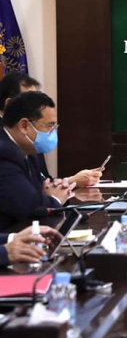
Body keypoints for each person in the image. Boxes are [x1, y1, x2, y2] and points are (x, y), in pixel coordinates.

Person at [0, 72, 102, 187]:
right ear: (9, 104)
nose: (38, 103)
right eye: (30, 99)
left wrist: (70, 181)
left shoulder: (30, 140)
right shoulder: (8, 146)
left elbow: (42, 182)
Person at [0, 91, 75, 232]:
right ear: (24, 126)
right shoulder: (4, 154)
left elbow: (40, 191)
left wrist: (58, 189)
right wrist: (56, 199)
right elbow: (29, 206)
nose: (53, 132)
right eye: (49, 126)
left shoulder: (29, 152)